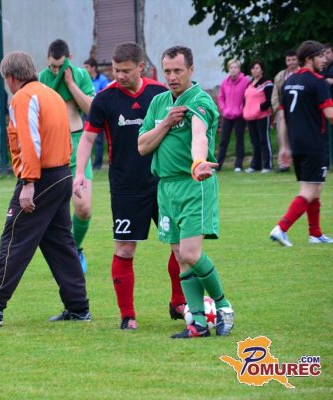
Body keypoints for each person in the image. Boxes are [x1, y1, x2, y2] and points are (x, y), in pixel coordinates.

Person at [0, 51, 90, 326]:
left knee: (14, 239)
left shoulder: (23, 98)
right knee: (61, 244)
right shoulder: (53, 95)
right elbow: (66, 135)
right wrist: (66, 175)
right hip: (61, 173)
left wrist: (28, 183)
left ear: (10, 77)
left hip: (40, 178)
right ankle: (78, 307)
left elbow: (30, 141)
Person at [74, 42, 186, 330]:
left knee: (180, 248)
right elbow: (88, 138)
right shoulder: (105, 98)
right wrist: (80, 174)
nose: (119, 76)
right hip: (125, 186)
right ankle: (128, 315)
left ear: (141, 67)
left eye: (125, 70)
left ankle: (179, 302)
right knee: (124, 249)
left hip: (162, 183)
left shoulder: (160, 93)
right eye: (115, 70)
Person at [138, 46, 234, 339]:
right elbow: (142, 146)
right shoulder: (158, 103)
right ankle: (199, 324)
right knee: (180, 256)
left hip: (194, 184)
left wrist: (198, 162)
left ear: (191, 70)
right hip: (165, 188)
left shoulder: (199, 100)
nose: (172, 77)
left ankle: (223, 306)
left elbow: (198, 135)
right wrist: (167, 122)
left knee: (191, 253)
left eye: (178, 71)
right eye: (167, 71)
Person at [39, 39, 95, 272]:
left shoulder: (80, 76)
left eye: (59, 66)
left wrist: (71, 84)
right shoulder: (41, 79)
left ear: (69, 59)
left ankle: (75, 248)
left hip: (77, 143)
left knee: (83, 208)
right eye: (52, 66)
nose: (55, 70)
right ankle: (65, 256)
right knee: (51, 211)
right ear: (47, 60)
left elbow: (91, 110)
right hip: (52, 147)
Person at [270, 40, 333, 247]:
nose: (324, 60)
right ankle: (281, 228)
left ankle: (315, 234)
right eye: (320, 56)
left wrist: (284, 146)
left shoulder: (289, 83)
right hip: (314, 144)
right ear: (308, 59)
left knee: (316, 187)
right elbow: (330, 114)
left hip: (297, 144)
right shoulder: (318, 82)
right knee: (309, 190)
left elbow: (282, 118)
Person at [216, 59, 249, 172]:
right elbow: (221, 98)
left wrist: (242, 109)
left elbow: (247, 97)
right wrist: (224, 109)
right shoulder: (224, 82)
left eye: (235, 67)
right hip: (227, 115)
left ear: (239, 69)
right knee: (223, 141)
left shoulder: (245, 81)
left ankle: (238, 165)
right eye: (231, 67)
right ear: (228, 69)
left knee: (239, 140)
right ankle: (218, 165)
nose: (233, 70)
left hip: (240, 116)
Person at [243, 61, 274, 173]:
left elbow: (269, 100)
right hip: (251, 117)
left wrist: (260, 107)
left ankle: (267, 165)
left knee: (264, 140)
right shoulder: (249, 83)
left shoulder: (267, 83)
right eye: (253, 68)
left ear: (262, 70)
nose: (255, 70)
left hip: (262, 116)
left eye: (257, 68)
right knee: (254, 142)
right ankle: (255, 165)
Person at [271, 51, 299, 173]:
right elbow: (274, 94)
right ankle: (283, 164)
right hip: (282, 111)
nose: (291, 62)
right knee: (282, 137)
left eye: (293, 59)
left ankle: (298, 161)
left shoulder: (303, 74)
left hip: (299, 111)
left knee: (298, 136)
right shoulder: (280, 76)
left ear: (298, 60)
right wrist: (277, 109)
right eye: (289, 60)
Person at [84, 57, 110, 170]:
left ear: (93, 67)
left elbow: (107, 94)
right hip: (86, 111)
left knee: (99, 140)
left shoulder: (103, 80)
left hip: (99, 112)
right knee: (85, 137)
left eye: (87, 67)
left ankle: (98, 164)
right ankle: (86, 163)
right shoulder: (86, 80)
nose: (85, 69)